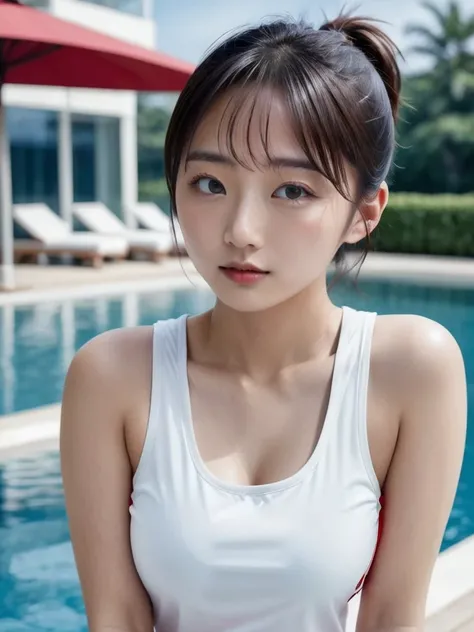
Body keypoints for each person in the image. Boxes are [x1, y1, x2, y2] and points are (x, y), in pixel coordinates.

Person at [60, 13, 467, 632]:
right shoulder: (112, 377)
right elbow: (115, 616)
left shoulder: (412, 369)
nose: (240, 232)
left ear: (364, 212)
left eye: (292, 191)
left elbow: (391, 618)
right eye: (208, 182)